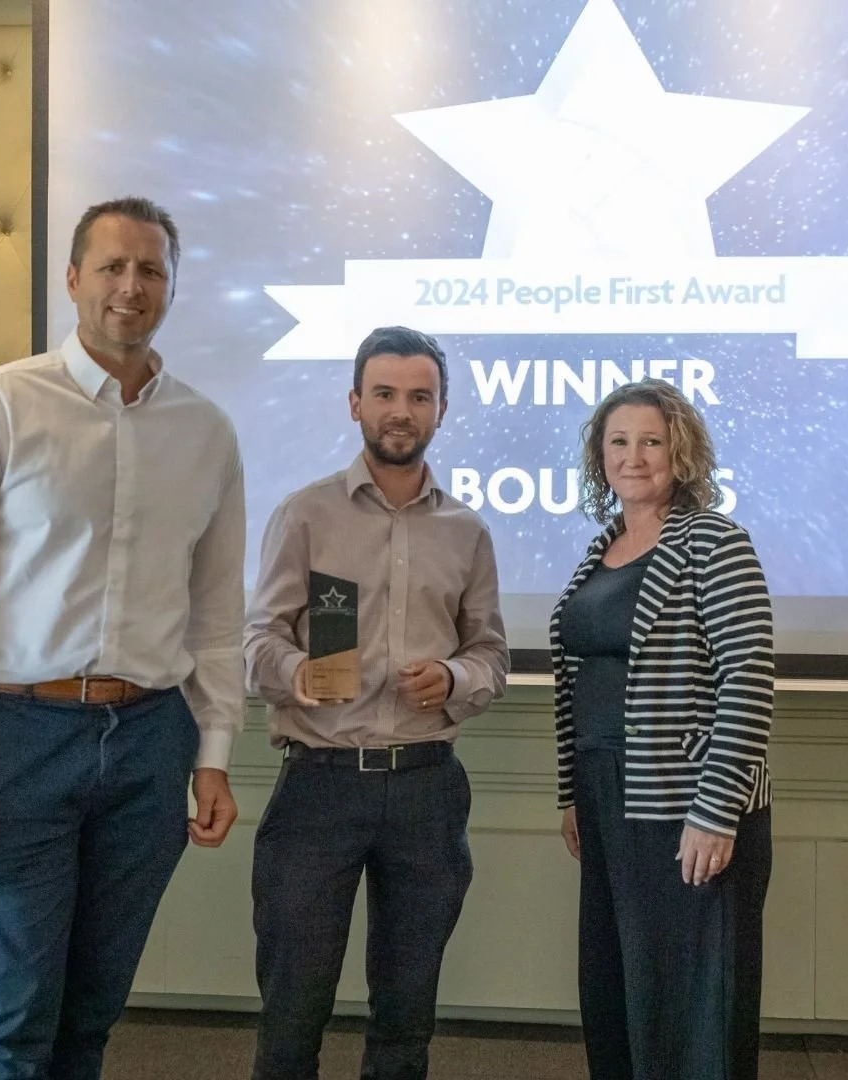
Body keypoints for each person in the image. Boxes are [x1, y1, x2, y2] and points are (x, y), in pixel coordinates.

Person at [0, 196, 244, 1080]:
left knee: (91, 1017)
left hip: (151, 743)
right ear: (74, 279)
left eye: (151, 270)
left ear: (173, 287)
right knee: (15, 1025)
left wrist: (212, 754)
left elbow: (215, 615)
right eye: (113, 267)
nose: (132, 286)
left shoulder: (206, 431)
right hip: (15, 741)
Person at [243, 325, 509, 1080]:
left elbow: (491, 654)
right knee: (293, 1008)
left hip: (427, 788)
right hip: (319, 784)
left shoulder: (467, 532)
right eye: (385, 394)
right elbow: (257, 641)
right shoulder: (305, 515)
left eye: (419, 397)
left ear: (441, 410)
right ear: (355, 403)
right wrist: (298, 671)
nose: (402, 410)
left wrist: (452, 679)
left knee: (406, 1015)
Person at [551, 378, 776, 1079]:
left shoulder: (714, 540)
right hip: (604, 797)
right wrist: (573, 793)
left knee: (691, 1002)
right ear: (600, 456)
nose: (634, 456)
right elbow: (579, 680)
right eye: (618, 441)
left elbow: (748, 676)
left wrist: (716, 812)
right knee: (617, 986)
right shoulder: (602, 549)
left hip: (685, 800)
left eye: (651, 441)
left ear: (681, 453)